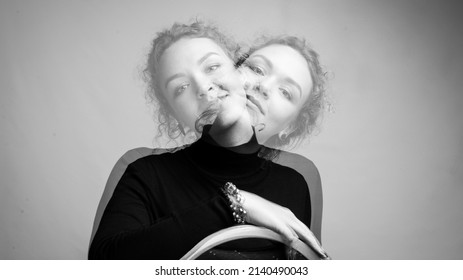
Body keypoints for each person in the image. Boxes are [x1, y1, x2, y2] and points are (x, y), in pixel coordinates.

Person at [89, 21, 328, 259]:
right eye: (256, 69)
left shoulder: (294, 184)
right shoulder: (145, 173)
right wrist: (234, 204)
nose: (204, 86)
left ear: (291, 126)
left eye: (286, 92)